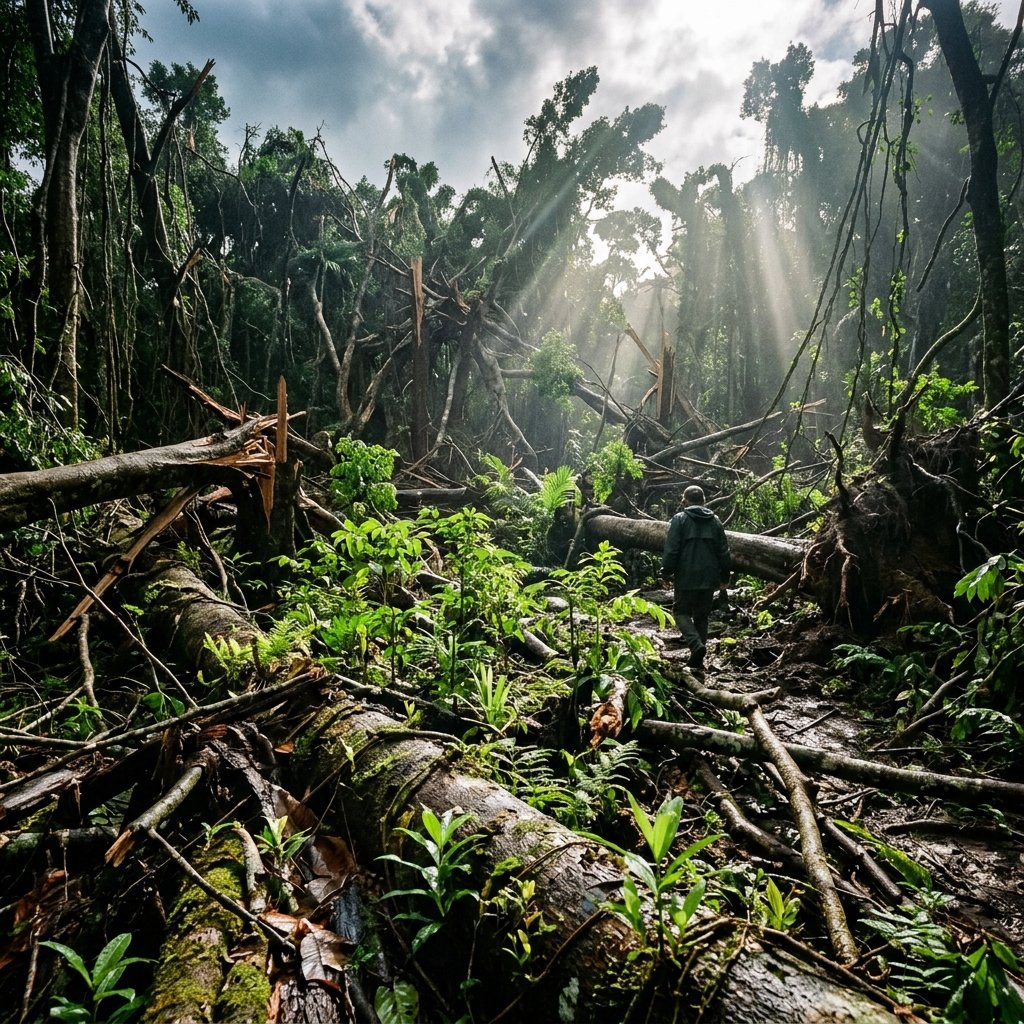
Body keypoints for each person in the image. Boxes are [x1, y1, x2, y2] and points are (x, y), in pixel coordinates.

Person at [660, 485, 731, 669]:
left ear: (685, 501)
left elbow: (672, 549)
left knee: (681, 612)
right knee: (702, 616)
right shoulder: (715, 521)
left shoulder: (679, 519)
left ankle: (696, 646)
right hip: (709, 578)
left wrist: (666, 572)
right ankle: (698, 659)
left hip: (685, 576)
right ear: (704, 500)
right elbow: (724, 552)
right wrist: (725, 576)